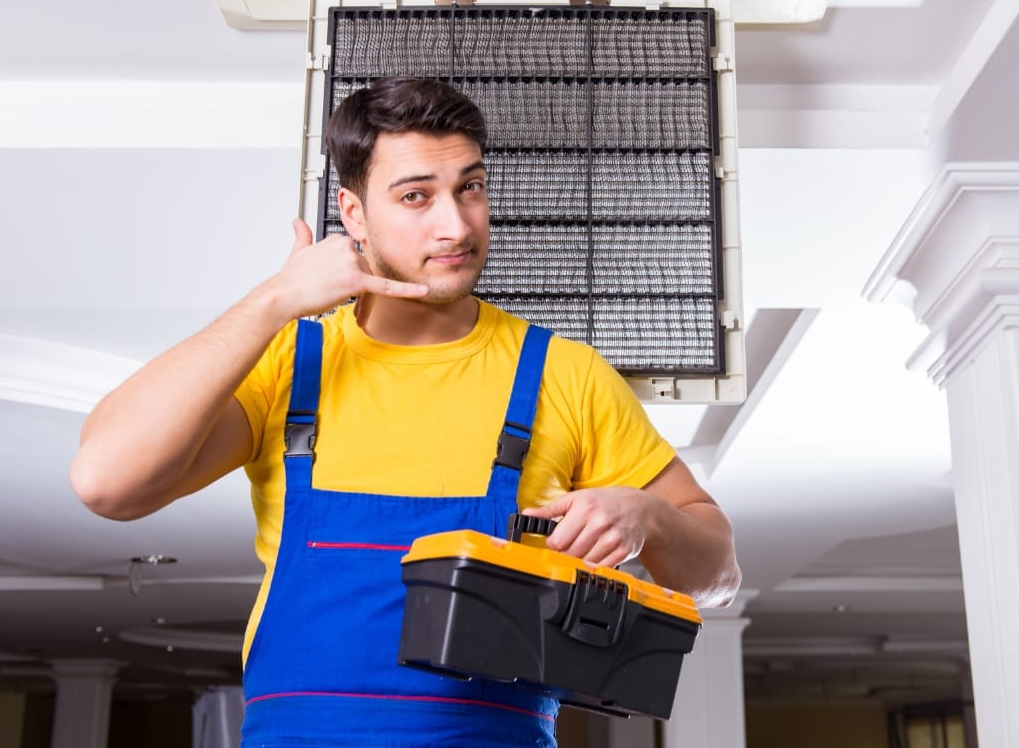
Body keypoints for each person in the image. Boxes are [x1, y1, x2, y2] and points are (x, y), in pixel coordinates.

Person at [71, 77, 741, 747]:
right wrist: (270, 302)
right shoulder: (288, 364)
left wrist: (648, 517)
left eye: (470, 188)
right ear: (353, 215)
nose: (455, 224)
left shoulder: (564, 376)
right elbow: (106, 482)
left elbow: (719, 574)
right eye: (416, 196)